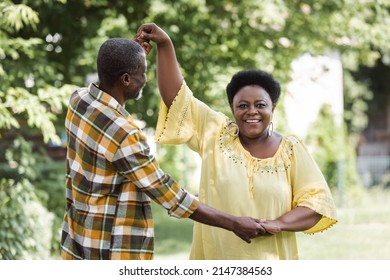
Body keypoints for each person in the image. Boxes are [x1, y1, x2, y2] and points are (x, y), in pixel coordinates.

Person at [135, 23, 338, 260]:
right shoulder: (215, 133)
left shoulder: (291, 150)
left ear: (273, 108)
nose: (251, 111)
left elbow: (317, 203)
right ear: (232, 109)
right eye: (243, 105)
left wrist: (277, 224)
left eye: (260, 105)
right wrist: (166, 44)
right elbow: (176, 97)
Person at [60, 37, 268, 260]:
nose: (146, 78)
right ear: (126, 79)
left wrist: (131, 55)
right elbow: (168, 193)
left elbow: (114, 63)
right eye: (143, 72)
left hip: (78, 240)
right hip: (109, 250)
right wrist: (234, 223)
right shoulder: (125, 135)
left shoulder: (79, 100)